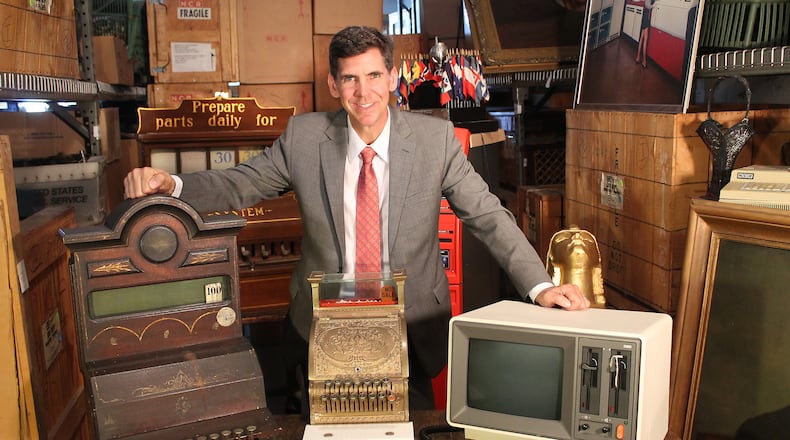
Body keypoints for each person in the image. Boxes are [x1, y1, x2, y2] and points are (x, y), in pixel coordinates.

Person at [124, 25, 589, 413]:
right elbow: (241, 183)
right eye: (349, 79)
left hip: (411, 322)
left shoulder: (434, 140)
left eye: (372, 76)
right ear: (333, 85)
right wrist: (173, 185)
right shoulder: (305, 137)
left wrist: (540, 286)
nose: (362, 92)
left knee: (409, 426)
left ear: (391, 78)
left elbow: (487, 213)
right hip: (325, 321)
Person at [635, 0, 654, 68]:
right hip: (646, 18)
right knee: (645, 40)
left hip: (645, 16)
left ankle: (638, 57)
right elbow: (648, 5)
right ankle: (644, 60)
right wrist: (654, 6)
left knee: (641, 39)